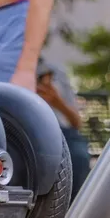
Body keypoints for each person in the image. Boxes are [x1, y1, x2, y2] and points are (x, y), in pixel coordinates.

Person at [36, 54, 92, 197]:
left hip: (63, 133)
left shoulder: (56, 71)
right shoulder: (7, 66)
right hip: (32, 130)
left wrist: (57, 102)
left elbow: (76, 122)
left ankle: (71, 215)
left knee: (79, 157)